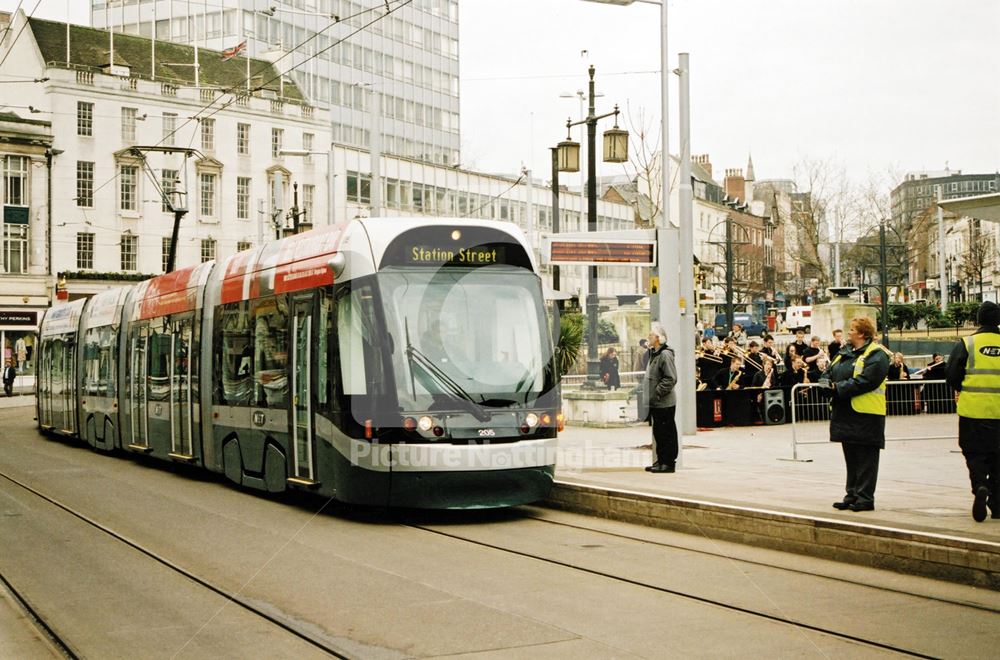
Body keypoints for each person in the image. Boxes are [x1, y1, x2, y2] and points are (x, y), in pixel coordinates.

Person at [818, 317, 891, 512]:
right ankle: (852, 494)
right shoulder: (844, 352)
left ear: (862, 333)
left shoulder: (877, 354)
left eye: (852, 329)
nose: (848, 332)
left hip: (867, 414)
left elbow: (866, 381)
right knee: (851, 456)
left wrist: (836, 388)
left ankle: (865, 497)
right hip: (845, 412)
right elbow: (829, 371)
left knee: (866, 458)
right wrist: (825, 383)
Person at [946, 301, 1000, 522]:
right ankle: (998, 505)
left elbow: (951, 374)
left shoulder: (967, 343)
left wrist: (963, 388)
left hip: (973, 412)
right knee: (998, 458)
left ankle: (979, 484)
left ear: (979, 319)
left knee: (974, 453)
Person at [642, 325, 678, 473]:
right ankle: (661, 460)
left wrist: (657, 392)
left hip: (664, 402)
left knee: (666, 432)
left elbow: (670, 378)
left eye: (651, 336)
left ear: (658, 338)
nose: (648, 338)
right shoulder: (654, 354)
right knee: (659, 432)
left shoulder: (665, 355)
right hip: (656, 402)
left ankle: (668, 462)